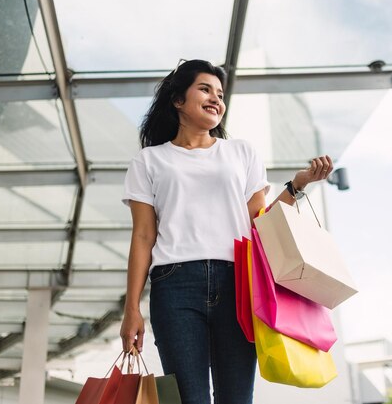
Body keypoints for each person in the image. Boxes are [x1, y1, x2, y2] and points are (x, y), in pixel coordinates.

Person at [119, 59, 333, 404]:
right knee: (190, 399)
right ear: (178, 100)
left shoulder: (241, 153)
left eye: (220, 93)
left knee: (237, 398)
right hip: (174, 287)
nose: (216, 98)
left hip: (238, 284)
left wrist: (297, 185)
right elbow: (143, 237)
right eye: (205, 89)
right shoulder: (148, 161)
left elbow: (261, 224)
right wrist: (131, 308)